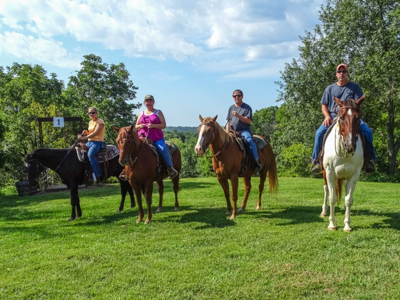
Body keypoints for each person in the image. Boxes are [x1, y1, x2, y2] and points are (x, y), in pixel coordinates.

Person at [311, 63, 376, 174]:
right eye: (339, 72)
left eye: (344, 71)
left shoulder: (355, 87)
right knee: (319, 133)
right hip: (332, 116)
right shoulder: (330, 89)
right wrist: (327, 116)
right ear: (336, 74)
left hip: (350, 116)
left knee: (368, 132)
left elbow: (357, 104)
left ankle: (369, 160)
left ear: (347, 73)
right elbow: (323, 105)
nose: (342, 74)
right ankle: (317, 161)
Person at [136, 94, 178, 179]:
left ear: (153, 102)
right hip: (142, 138)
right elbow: (136, 126)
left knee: (163, 149)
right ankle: (127, 170)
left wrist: (153, 126)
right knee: (131, 149)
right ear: (144, 102)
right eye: (147, 101)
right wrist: (140, 126)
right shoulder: (141, 113)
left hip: (156, 138)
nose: (149, 103)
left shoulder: (158, 112)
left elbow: (164, 125)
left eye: (150, 101)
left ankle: (170, 168)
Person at [226, 89, 261, 172]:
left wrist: (238, 116)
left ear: (242, 96)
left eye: (238, 95)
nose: (237, 97)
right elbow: (228, 121)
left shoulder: (247, 108)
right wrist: (227, 132)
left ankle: (256, 161)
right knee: (222, 143)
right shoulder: (231, 108)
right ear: (233, 97)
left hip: (243, 131)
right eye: (235, 96)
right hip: (232, 131)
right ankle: (219, 164)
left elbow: (248, 121)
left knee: (249, 141)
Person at [77, 107, 105, 182]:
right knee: (78, 151)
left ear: (96, 113)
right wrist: (87, 133)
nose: (91, 114)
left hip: (97, 142)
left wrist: (84, 138)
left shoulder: (100, 121)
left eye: (93, 112)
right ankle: (84, 174)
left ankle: (97, 175)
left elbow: (96, 133)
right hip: (90, 142)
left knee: (90, 155)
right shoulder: (90, 122)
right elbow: (92, 134)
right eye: (90, 113)